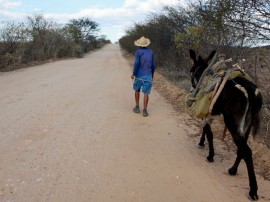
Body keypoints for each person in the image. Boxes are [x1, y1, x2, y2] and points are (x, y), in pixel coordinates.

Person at [131, 36, 156, 117]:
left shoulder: (138, 51)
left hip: (139, 75)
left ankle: (137, 107)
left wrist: (133, 73)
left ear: (139, 44)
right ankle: (145, 110)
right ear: (147, 44)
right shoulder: (151, 52)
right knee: (146, 93)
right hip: (148, 75)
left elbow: (136, 63)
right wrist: (151, 74)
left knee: (137, 90)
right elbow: (153, 65)